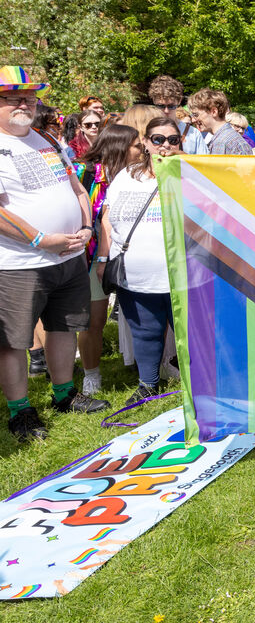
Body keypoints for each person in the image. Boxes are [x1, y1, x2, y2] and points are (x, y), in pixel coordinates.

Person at [0, 66, 109, 442]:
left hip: (68, 255)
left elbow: (76, 186)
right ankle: (21, 411)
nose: (24, 104)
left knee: (64, 326)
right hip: (19, 264)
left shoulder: (44, 138)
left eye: (29, 98)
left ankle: (64, 393)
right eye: (13, 98)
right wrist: (39, 239)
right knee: (13, 340)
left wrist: (85, 226)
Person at [97, 116, 184, 404]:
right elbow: (107, 217)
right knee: (145, 332)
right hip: (134, 273)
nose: (165, 146)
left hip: (181, 274)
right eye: (158, 139)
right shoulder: (126, 175)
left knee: (190, 335)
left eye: (173, 139)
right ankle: (148, 383)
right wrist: (102, 256)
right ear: (145, 143)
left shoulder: (191, 173)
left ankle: (199, 384)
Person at [76, 123, 141, 394]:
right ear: (120, 148)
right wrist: (100, 260)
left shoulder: (141, 175)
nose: (143, 149)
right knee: (94, 320)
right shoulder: (85, 175)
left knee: (142, 315)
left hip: (133, 255)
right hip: (92, 259)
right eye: (138, 145)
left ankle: (150, 367)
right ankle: (91, 374)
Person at [148, 75, 208, 155]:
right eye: (161, 106)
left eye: (171, 106)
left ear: (179, 101)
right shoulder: (147, 130)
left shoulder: (193, 133)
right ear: (154, 101)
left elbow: (203, 164)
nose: (166, 111)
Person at [189, 88, 252, 156]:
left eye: (196, 115)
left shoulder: (234, 143)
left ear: (214, 112)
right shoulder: (221, 140)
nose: (193, 120)